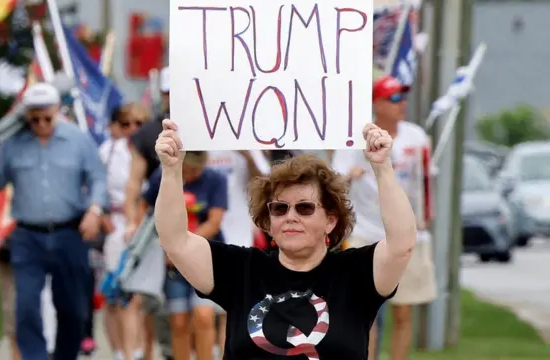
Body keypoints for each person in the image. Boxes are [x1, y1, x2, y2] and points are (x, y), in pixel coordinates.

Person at [153, 118, 417, 359]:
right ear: (268, 222)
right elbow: (175, 240)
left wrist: (382, 167)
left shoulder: (355, 273)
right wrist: (172, 170)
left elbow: (401, 245)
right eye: (280, 208)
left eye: (305, 207)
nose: (291, 216)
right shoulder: (241, 269)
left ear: (331, 220)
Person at [0, 82, 108, 360]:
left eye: (47, 118)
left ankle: (65, 355)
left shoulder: (77, 139)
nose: (40, 124)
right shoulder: (13, 142)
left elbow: (98, 178)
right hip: (28, 236)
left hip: (69, 233)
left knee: (73, 307)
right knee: (26, 305)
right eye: (34, 118)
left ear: (57, 111)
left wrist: (94, 210)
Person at [332, 75, 436, 360]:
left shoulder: (416, 137)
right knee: (366, 311)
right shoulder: (355, 139)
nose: (401, 103)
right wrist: (350, 177)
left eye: (402, 97)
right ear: (376, 103)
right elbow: (334, 183)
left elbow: (426, 179)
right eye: (393, 98)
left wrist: (427, 215)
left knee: (403, 311)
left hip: (405, 234)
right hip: (364, 233)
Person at [141, 151, 228, 360]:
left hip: (204, 258)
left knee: (204, 317)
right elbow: (146, 208)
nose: (189, 176)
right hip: (172, 263)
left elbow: (214, 221)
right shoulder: (163, 175)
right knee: (178, 321)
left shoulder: (215, 179)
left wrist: (182, 247)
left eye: (195, 171)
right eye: (186, 171)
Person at [124, 66, 173, 360]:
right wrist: (131, 219)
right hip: (154, 226)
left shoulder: (207, 126)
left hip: (197, 221)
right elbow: (134, 180)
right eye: (168, 92)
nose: (172, 98)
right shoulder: (147, 133)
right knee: (148, 295)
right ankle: (147, 354)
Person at [98, 103, 150, 360]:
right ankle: (121, 352)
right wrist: (101, 214)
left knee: (139, 295)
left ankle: (137, 351)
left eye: (138, 124)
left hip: (146, 226)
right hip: (116, 225)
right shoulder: (107, 152)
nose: (132, 129)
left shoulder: (152, 149)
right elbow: (94, 187)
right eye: (126, 124)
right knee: (115, 294)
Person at [206, 149, 270, 355]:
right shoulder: (201, 138)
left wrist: (248, 156)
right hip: (204, 231)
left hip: (239, 234)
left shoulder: (247, 145)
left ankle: (226, 351)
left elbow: (265, 184)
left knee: (231, 306)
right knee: (202, 311)